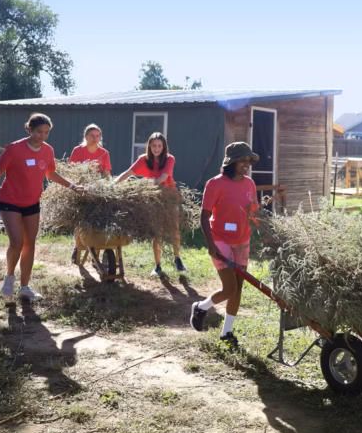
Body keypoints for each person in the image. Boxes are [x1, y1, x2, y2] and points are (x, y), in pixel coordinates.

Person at [0, 113, 84, 302]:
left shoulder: (48, 150)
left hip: (32, 202)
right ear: (30, 129)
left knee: (30, 244)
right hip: (10, 201)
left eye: (46, 133)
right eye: (39, 132)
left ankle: (25, 287)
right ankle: (9, 277)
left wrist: (71, 185)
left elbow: (50, 172)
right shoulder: (13, 149)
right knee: (16, 243)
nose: (42, 136)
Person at [189, 142, 270, 346]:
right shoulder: (215, 184)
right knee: (229, 288)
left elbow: (252, 211)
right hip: (220, 239)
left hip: (242, 240)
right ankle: (201, 306)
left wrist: (264, 221)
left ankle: (226, 333)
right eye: (243, 160)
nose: (247, 164)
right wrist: (210, 244)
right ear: (231, 162)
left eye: (249, 160)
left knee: (238, 289)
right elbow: (204, 215)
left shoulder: (250, 184)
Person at [115, 132, 186, 275]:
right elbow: (128, 173)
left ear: (164, 146)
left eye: (159, 145)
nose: (157, 148)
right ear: (149, 146)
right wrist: (114, 183)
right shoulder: (143, 159)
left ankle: (177, 259)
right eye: (154, 145)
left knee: (174, 229)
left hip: (169, 197)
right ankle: (158, 265)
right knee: (157, 232)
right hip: (153, 199)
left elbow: (163, 177)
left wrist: (144, 186)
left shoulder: (169, 159)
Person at [69, 124, 111, 263]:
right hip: (80, 188)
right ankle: (78, 246)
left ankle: (96, 253)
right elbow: (71, 170)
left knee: (96, 220)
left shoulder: (104, 152)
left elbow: (106, 173)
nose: (95, 138)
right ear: (86, 136)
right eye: (92, 136)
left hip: (96, 189)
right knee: (80, 219)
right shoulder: (78, 150)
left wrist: (110, 186)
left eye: (97, 136)